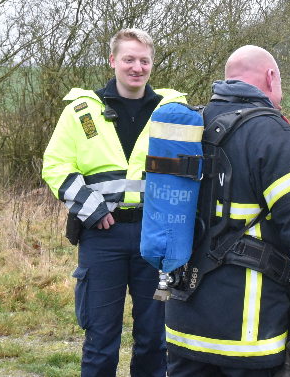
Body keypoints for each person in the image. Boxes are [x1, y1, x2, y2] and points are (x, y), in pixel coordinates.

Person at [165, 45, 290, 377]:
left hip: (182, 323)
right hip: (246, 330)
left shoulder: (191, 126)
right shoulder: (271, 132)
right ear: (270, 77)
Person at [42, 28, 186, 377]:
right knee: (101, 337)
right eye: (129, 59)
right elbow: (56, 165)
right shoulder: (81, 111)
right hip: (103, 238)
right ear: (112, 61)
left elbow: (188, 171)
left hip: (154, 240)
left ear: (152, 64)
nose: (137, 67)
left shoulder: (173, 112)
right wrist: (91, 207)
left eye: (144, 60)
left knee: (155, 338)